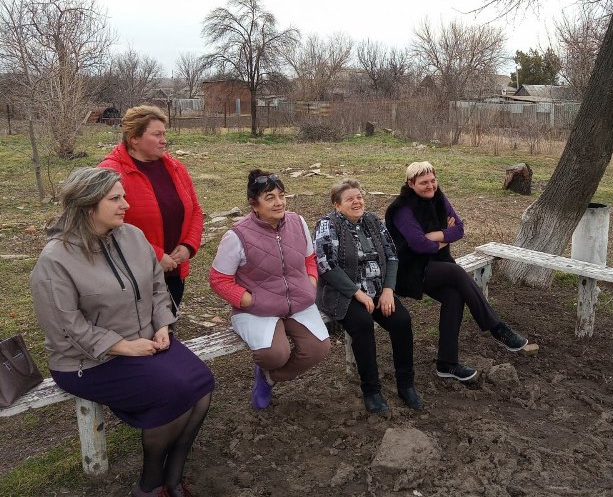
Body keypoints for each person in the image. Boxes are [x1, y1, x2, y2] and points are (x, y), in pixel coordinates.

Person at [30, 167, 214, 497]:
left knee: (201, 385)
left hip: (146, 340)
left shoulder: (132, 236)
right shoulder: (55, 260)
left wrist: (162, 325)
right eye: (115, 198)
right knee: (172, 394)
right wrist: (123, 347)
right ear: (88, 207)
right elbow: (65, 328)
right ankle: (149, 485)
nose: (125, 205)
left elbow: (158, 286)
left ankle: (173, 477)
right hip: (86, 362)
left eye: (124, 196)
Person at [385, 161, 528, 382]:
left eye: (433, 180)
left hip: (438, 263)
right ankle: (497, 328)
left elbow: (459, 229)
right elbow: (418, 246)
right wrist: (444, 234)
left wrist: (434, 236)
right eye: (423, 183)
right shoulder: (402, 209)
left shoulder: (439, 198)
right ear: (410, 183)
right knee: (457, 273)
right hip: (410, 269)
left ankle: (446, 363)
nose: (430, 186)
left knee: (455, 296)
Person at [209, 170, 330, 410]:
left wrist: (311, 282)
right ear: (254, 204)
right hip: (257, 308)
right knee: (274, 354)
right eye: (270, 197)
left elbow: (309, 258)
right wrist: (247, 300)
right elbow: (219, 279)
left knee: (318, 348)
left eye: (282, 195)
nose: (279, 202)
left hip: (297, 301)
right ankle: (266, 368)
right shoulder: (237, 236)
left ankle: (269, 378)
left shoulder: (298, 222)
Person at [315, 179, 421, 415]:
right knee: (363, 324)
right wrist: (357, 294)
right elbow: (326, 265)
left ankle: (406, 384)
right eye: (350, 199)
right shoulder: (327, 225)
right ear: (337, 205)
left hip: (377, 290)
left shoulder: (373, 221)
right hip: (343, 293)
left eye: (359, 196)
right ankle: (371, 390)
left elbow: (392, 256)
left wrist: (388, 290)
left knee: (402, 321)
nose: (357, 201)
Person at [99, 105, 203, 314]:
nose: (164, 140)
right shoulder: (109, 173)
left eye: (164, 134)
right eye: (157, 134)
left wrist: (188, 246)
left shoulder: (175, 167)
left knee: (167, 328)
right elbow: (106, 229)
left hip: (174, 271)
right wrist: (155, 255)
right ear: (134, 138)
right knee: (141, 335)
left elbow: (195, 212)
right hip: (133, 277)